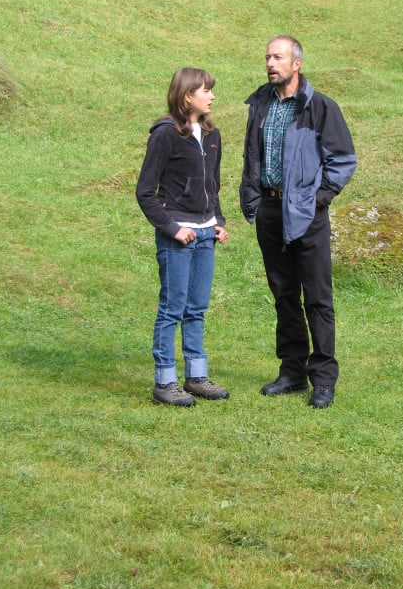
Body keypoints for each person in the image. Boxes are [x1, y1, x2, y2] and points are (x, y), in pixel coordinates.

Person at [239, 36, 357, 409]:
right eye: (267, 57)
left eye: (278, 57)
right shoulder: (259, 104)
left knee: (317, 299)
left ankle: (323, 379)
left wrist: (317, 200)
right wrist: (254, 201)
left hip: (308, 216)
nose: (270, 63)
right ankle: (292, 371)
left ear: (297, 64)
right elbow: (253, 157)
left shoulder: (320, 107)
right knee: (284, 294)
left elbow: (343, 161)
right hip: (270, 213)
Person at [136, 67, 230, 406]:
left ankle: (196, 376)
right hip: (179, 235)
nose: (212, 96)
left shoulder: (212, 134)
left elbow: (213, 185)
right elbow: (145, 192)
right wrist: (174, 228)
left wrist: (218, 221)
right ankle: (164, 382)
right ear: (187, 95)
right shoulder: (164, 134)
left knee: (197, 308)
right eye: (207, 90)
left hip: (205, 235)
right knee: (172, 308)